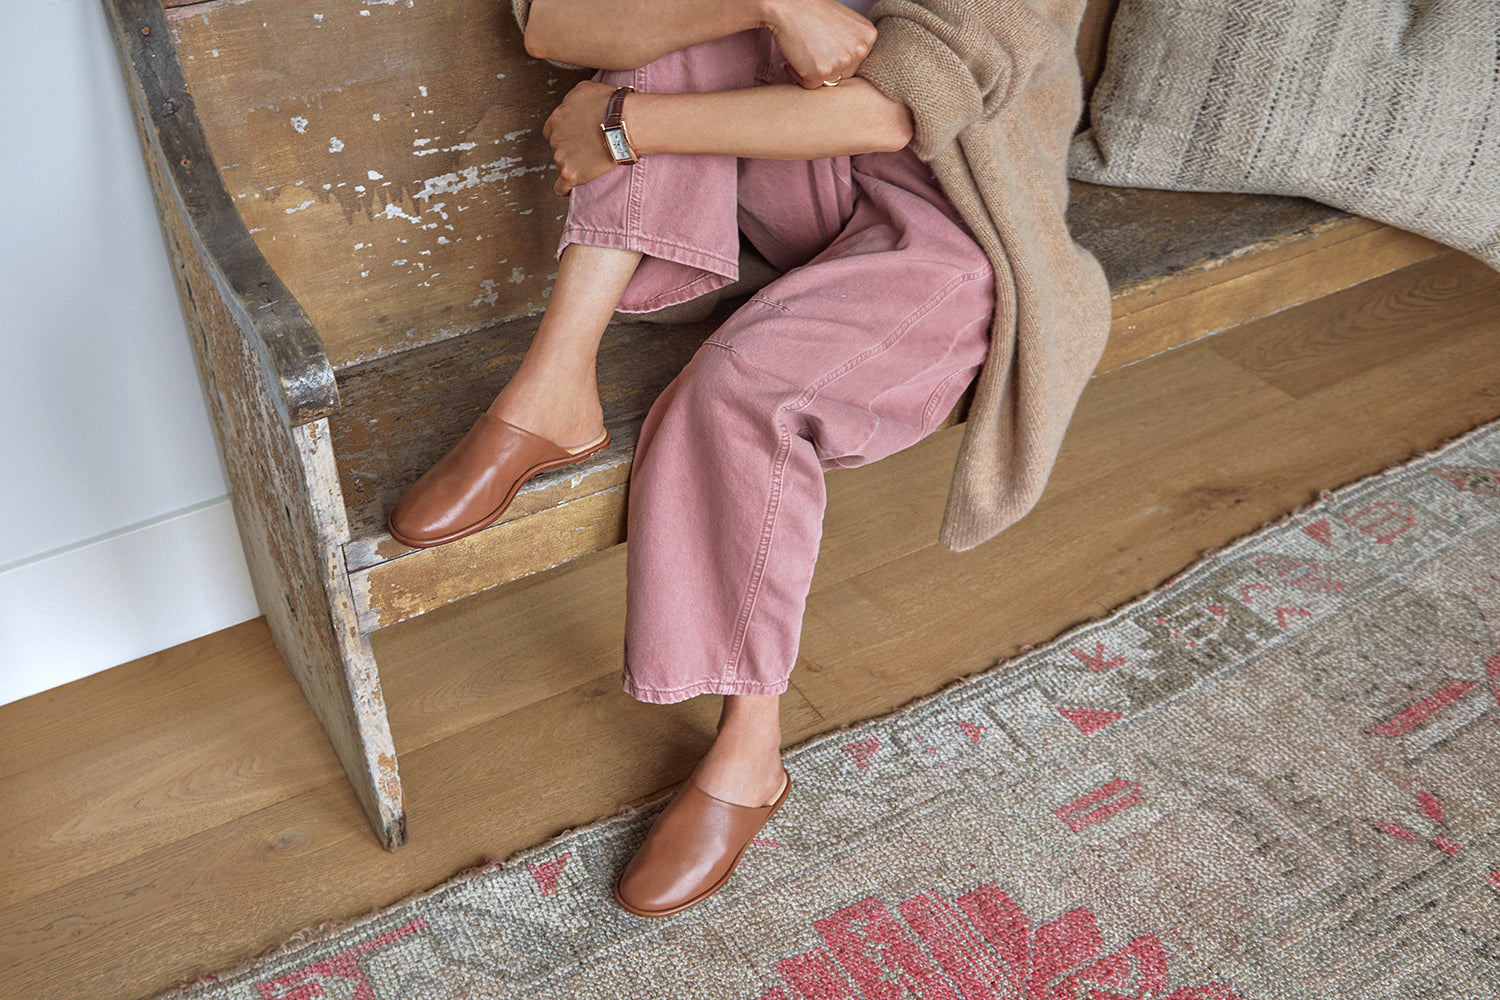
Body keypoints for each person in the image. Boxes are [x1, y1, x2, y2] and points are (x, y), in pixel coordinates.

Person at [389, 0, 1111, 917]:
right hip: (802, 200)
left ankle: (750, 751)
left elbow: (885, 113)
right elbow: (555, 29)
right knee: (672, 26)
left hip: (950, 236)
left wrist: (624, 125)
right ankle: (553, 381)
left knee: (739, 393)